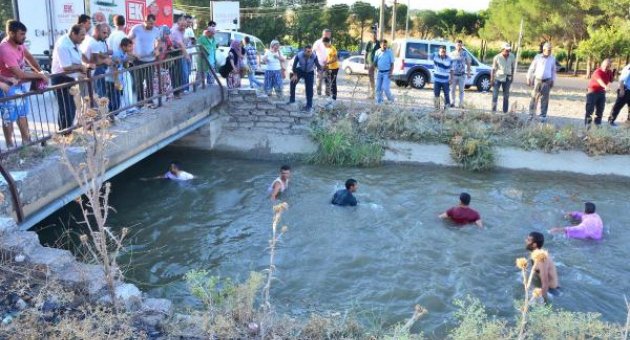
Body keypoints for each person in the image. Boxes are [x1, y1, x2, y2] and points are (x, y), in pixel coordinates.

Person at [0, 20, 47, 147]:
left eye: (24, 34)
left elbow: (30, 58)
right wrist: (39, 75)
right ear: (11, 33)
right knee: (8, 118)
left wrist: (40, 70)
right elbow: (20, 74)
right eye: (21, 34)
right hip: (6, 86)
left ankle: (27, 143)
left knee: (22, 114)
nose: (24, 37)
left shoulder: (19, 44)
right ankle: (10, 147)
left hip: (18, 84)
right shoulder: (5, 49)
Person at [51, 24, 87, 132]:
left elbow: (77, 59)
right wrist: (80, 67)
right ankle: (64, 134)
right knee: (66, 109)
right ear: (73, 33)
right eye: (81, 35)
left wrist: (82, 68)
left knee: (72, 107)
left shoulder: (74, 43)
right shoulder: (63, 45)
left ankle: (67, 132)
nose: (84, 37)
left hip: (70, 78)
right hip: (61, 79)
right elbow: (66, 67)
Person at [128, 14, 160, 108]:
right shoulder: (136, 29)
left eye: (153, 24)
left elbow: (159, 41)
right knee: (139, 82)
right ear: (144, 21)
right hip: (138, 60)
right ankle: (140, 103)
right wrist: (132, 53)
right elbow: (127, 41)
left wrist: (156, 49)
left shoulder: (156, 30)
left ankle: (150, 101)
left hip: (150, 60)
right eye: (150, 23)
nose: (151, 25)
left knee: (150, 81)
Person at [525, 231, 560, 303]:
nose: (525, 241)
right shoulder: (535, 253)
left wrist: (544, 303)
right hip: (545, 286)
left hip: (551, 291)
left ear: (534, 244)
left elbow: (545, 283)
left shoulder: (541, 259)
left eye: (528, 240)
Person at [527, 42, 557, 122]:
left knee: (545, 99)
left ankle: (543, 115)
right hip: (537, 80)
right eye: (548, 50)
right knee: (534, 97)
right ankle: (531, 114)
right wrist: (528, 77)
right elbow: (532, 68)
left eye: (550, 50)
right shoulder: (537, 57)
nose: (549, 51)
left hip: (547, 81)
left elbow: (553, 70)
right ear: (544, 49)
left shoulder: (552, 58)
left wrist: (553, 80)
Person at [81, 23, 112, 98]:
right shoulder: (93, 42)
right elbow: (95, 60)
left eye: (107, 33)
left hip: (89, 74)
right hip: (92, 75)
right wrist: (105, 61)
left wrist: (105, 57)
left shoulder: (91, 40)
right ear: (97, 31)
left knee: (91, 99)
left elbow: (98, 55)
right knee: (99, 98)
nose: (106, 35)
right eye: (104, 33)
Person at [107, 38, 136, 113]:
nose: (131, 48)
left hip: (120, 76)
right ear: (123, 47)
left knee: (121, 95)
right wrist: (116, 81)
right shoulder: (117, 54)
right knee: (114, 98)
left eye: (131, 46)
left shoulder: (125, 53)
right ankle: (114, 114)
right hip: (113, 78)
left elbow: (125, 66)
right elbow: (115, 68)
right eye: (129, 46)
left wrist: (128, 59)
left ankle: (124, 110)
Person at [289, 45, 322, 112]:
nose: (309, 53)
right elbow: (294, 66)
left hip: (309, 72)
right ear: (304, 51)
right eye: (308, 51)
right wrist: (295, 74)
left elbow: (318, 66)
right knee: (292, 82)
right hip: (300, 70)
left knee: (309, 89)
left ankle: (309, 105)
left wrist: (319, 72)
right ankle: (292, 99)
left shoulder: (314, 56)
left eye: (310, 51)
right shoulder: (299, 55)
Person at [584, 58, 613, 127]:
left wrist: (612, 71)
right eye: (604, 65)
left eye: (608, 66)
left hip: (602, 93)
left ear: (610, 66)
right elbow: (600, 81)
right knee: (590, 110)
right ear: (601, 65)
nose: (605, 67)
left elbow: (611, 80)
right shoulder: (597, 72)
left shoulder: (609, 72)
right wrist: (605, 87)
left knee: (600, 110)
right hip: (592, 92)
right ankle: (587, 126)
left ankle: (598, 125)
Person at [491, 43, 515, 113]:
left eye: (509, 50)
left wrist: (512, 77)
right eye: (506, 50)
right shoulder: (497, 57)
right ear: (502, 50)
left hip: (507, 78)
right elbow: (493, 69)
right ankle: (493, 111)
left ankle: (505, 112)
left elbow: (513, 67)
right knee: (495, 95)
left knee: (506, 96)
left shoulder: (512, 56)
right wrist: (492, 79)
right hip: (498, 78)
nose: (508, 51)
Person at [169, 16, 190, 98]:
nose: (184, 27)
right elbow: (181, 44)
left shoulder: (182, 29)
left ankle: (180, 90)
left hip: (178, 52)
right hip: (172, 54)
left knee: (182, 72)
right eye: (182, 25)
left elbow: (182, 43)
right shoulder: (175, 31)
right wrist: (187, 55)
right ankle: (176, 92)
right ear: (178, 23)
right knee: (175, 74)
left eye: (185, 26)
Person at [449, 39, 471, 108]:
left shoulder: (465, 53)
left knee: (461, 90)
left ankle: (461, 104)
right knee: (452, 90)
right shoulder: (451, 53)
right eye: (458, 45)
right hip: (453, 75)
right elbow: (449, 64)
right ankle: (452, 102)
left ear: (462, 46)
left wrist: (468, 73)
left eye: (460, 45)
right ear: (455, 45)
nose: (459, 46)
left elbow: (468, 63)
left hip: (462, 75)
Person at [373, 39, 395, 104]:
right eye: (383, 45)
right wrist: (373, 69)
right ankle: (379, 102)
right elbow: (375, 62)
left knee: (385, 88)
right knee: (378, 88)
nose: (385, 46)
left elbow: (392, 64)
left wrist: (391, 72)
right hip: (379, 72)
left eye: (385, 45)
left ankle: (391, 100)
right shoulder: (377, 52)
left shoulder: (389, 52)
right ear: (380, 45)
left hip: (387, 73)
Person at [432, 45, 453, 110]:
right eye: (441, 51)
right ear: (439, 51)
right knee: (436, 94)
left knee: (446, 95)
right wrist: (417, 51)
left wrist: (451, 79)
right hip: (437, 81)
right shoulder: (435, 57)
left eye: (443, 51)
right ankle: (437, 109)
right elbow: (425, 54)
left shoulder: (449, 59)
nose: (442, 53)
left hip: (445, 81)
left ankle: (447, 109)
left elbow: (452, 70)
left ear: (445, 51)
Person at [313, 29, 331, 96]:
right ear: (323, 34)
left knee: (328, 80)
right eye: (327, 34)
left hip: (328, 64)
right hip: (320, 64)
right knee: (319, 80)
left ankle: (327, 94)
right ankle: (318, 94)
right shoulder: (317, 42)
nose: (328, 36)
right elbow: (313, 52)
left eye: (329, 35)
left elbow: (330, 52)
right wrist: (316, 63)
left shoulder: (329, 42)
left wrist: (328, 60)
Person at [364, 33, 380, 99]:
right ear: (371, 37)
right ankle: (372, 93)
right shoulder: (369, 43)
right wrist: (365, 63)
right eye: (373, 36)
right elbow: (366, 53)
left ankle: (377, 94)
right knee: (370, 79)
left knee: (377, 79)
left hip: (377, 64)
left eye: (375, 36)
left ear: (376, 36)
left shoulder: (379, 43)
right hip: (370, 63)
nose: (374, 37)